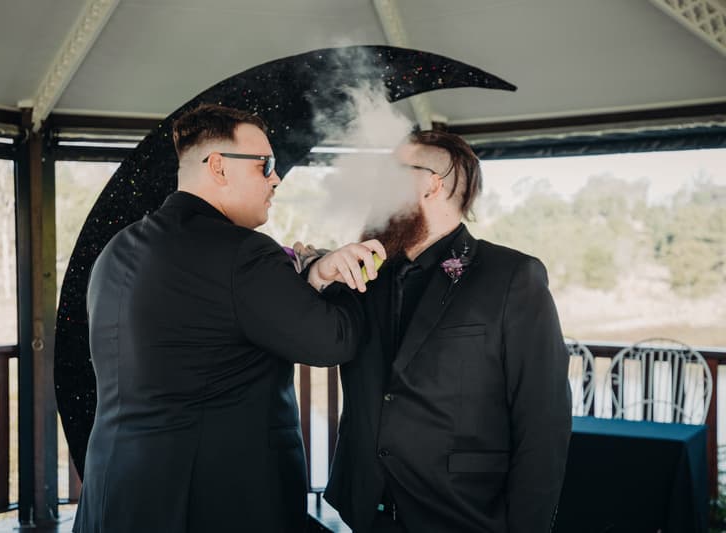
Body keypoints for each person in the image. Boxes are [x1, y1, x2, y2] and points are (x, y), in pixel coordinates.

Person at [73, 104, 384, 533]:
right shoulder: (243, 252)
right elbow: (334, 339)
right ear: (218, 167)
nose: (276, 178)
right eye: (265, 166)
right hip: (213, 503)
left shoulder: (119, 249)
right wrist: (338, 276)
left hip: (115, 498)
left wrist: (308, 277)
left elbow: (214, 325)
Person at [320, 130, 571, 533]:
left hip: (461, 513)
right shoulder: (365, 273)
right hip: (366, 510)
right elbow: (310, 332)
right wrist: (316, 270)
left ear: (431, 184)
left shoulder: (511, 277)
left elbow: (544, 423)